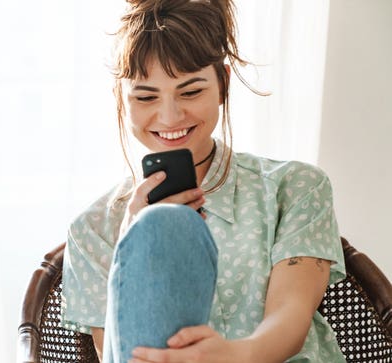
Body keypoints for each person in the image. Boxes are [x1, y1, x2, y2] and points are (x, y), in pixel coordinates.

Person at [59, 0, 346, 362]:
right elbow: (121, 354)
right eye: (146, 96)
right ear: (121, 97)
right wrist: (132, 244)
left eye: (191, 91)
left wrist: (235, 355)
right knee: (155, 231)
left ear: (223, 84)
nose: (169, 116)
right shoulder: (93, 230)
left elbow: (290, 317)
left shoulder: (295, 188)